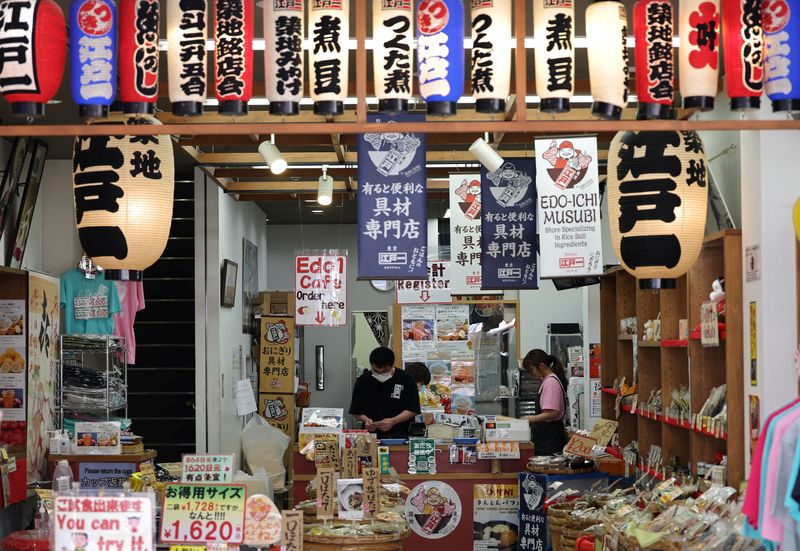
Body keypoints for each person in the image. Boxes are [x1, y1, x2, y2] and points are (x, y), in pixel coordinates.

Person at [349, 347, 421, 439]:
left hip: (401, 434)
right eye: (376, 371)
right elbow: (356, 410)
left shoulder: (407, 379)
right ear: (371, 365)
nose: (380, 374)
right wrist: (366, 420)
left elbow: (413, 409)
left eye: (385, 371)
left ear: (392, 365)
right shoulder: (363, 380)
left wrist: (393, 421)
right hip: (371, 436)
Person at [520, 349, 568, 455]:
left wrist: (530, 419)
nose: (531, 373)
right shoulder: (546, 380)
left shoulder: (551, 383)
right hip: (545, 436)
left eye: (532, 369)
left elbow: (552, 413)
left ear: (541, 366)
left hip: (550, 437)